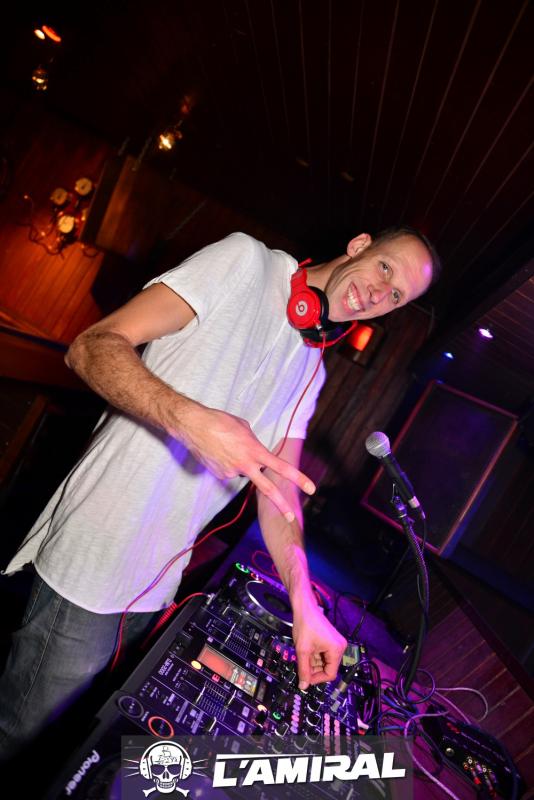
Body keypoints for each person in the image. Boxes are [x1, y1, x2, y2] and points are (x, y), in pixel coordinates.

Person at [0, 226, 437, 759]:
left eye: (396, 296)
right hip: (91, 562)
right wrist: (191, 421)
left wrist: (304, 605)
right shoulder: (245, 263)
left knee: (72, 751)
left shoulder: (312, 369)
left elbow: (280, 492)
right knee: (23, 744)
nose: (379, 293)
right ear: (360, 245)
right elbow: (91, 348)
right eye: (386, 268)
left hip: (156, 585)